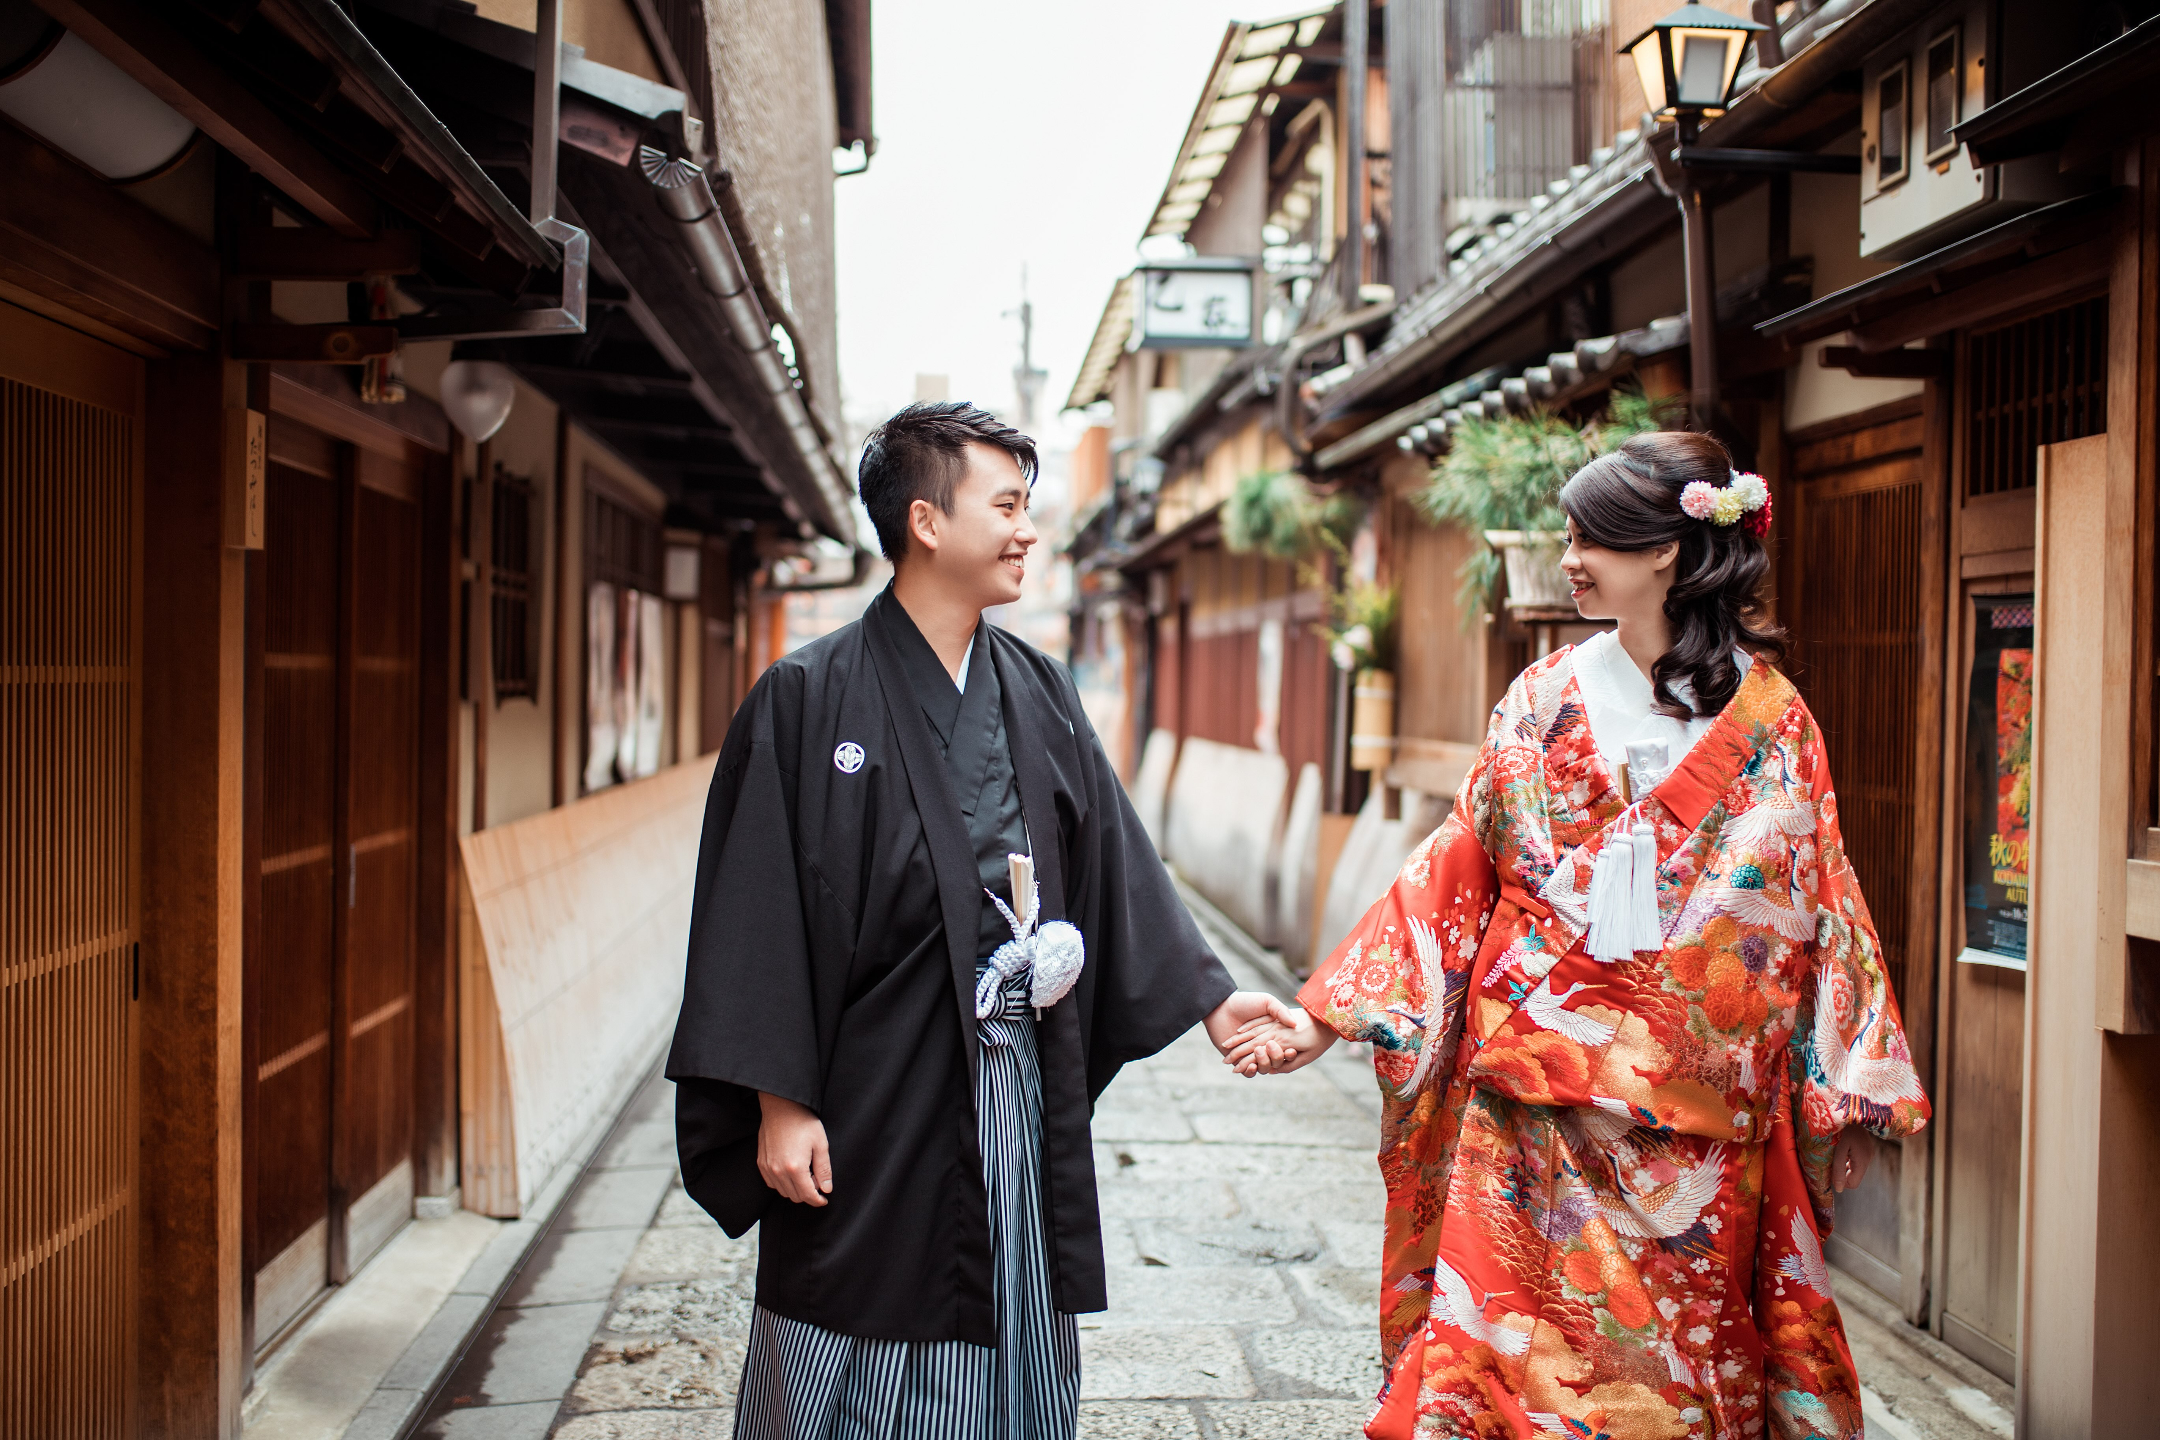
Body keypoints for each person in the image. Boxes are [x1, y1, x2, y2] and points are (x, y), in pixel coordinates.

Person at [1228, 431, 1930, 1440]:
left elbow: (1818, 904)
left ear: (1665, 553)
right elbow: (1454, 870)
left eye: (1589, 536)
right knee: (1497, 1374)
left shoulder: (1778, 725)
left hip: (1687, 1140)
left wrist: (1840, 1089)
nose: (1567, 558)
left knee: (1675, 1394)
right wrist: (1322, 1020)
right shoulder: (1546, 697)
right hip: (1526, 1117)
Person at [668, 400, 1290, 1440]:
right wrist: (777, 1100)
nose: (1027, 531)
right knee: (846, 1298)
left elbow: (1112, 855)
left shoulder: (1033, 686)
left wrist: (1213, 1000)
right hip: (864, 1083)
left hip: (1006, 1073)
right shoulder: (806, 696)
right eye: (1005, 505)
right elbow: (753, 907)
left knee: (1005, 1295)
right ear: (925, 522)